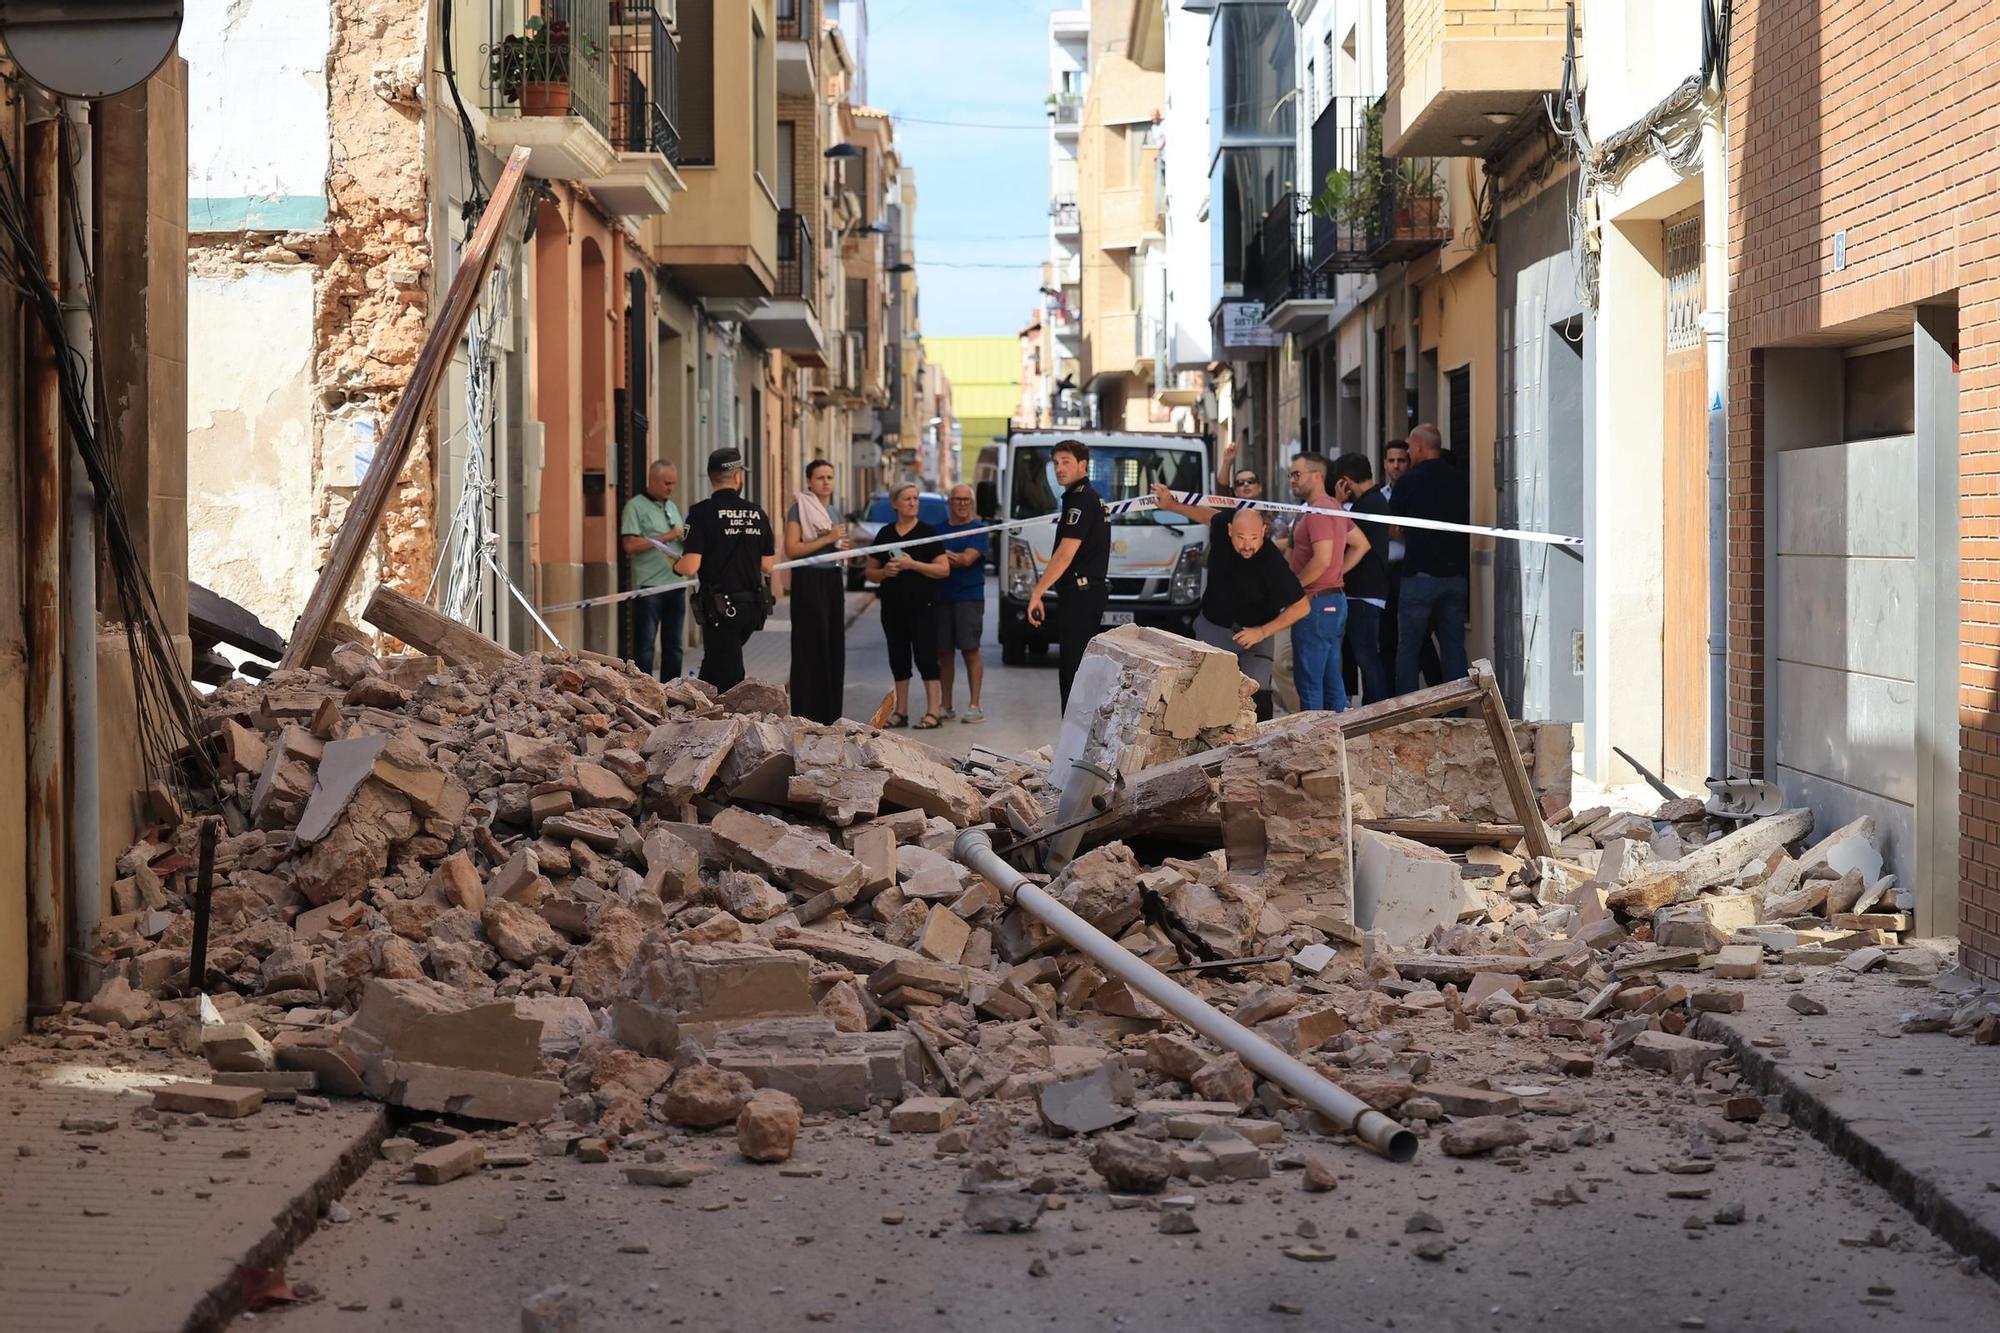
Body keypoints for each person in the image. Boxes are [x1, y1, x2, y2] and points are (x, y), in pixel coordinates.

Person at [1152, 485, 1308, 720]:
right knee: (1208, 694)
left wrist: (1262, 632)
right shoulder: (1221, 526)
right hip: (1215, 627)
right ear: (1229, 530)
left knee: (1258, 700)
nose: (1247, 545)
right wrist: (1171, 505)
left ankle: (1257, 749)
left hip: (1256, 635)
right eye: (1241, 538)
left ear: (1264, 531)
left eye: (1254, 538)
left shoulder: (1273, 562)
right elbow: (1206, 515)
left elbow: (1302, 606)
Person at [674, 448, 775, 692]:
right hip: (752, 608)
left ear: (711, 477)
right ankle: (702, 710)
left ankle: (735, 722)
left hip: (720, 611)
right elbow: (767, 565)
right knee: (712, 669)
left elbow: (691, 566)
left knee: (730, 679)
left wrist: (675, 563)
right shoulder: (757, 513)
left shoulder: (701, 513)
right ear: (738, 477)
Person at [1026, 439, 1110, 712]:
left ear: (1082, 465)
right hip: (1081, 593)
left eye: (1066, 462)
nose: (1059, 469)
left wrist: (1037, 592)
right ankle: (1073, 742)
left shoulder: (1082, 499)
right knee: (1073, 670)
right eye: (1056, 463)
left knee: (1074, 673)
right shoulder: (1080, 496)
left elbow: (1065, 554)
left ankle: (1073, 746)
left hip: (1081, 594)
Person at [1285, 452, 1371, 712]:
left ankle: (1314, 746)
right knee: (1331, 680)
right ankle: (1337, 742)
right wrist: (1336, 575)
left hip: (1316, 604)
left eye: (1297, 474)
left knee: (1310, 683)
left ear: (1317, 475)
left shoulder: (1320, 511)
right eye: (1291, 475)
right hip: (1332, 601)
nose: (1292, 480)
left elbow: (1322, 559)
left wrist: (1294, 588)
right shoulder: (1333, 507)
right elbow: (1361, 545)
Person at [1390, 422, 1470, 695]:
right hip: (1456, 576)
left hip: (1419, 576)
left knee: (1409, 648)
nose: (1409, 452)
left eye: (1410, 447)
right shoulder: (1460, 479)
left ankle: (1406, 713)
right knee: (1453, 648)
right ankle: (1457, 712)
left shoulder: (1408, 482)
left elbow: (1393, 527)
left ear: (1420, 447)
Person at [865, 483, 950, 729]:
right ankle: (900, 711)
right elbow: (869, 572)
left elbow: (943, 569)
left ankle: (933, 711)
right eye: (907, 499)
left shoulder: (928, 532)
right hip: (893, 607)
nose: (913, 503)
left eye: (915, 499)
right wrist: (884, 572)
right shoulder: (885, 534)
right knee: (898, 658)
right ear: (895, 504)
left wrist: (914, 565)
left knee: (926, 657)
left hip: (924, 606)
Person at [783, 458, 850, 724]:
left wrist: (841, 545)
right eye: (820, 477)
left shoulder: (835, 513)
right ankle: (806, 712)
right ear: (809, 481)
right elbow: (792, 548)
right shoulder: (799, 508)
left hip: (832, 578)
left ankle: (831, 714)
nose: (826, 482)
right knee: (810, 646)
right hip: (809, 580)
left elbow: (839, 543)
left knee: (833, 646)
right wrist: (828, 538)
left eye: (830, 477)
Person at [1330, 453, 1393, 705]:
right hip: (1367, 591)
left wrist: (1335, 502)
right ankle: (1372, 708)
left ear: (1346, 481)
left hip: (1364, 593)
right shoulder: (1372, 501)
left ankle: (1376, 710)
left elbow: (1345, 538)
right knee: (1365, 656)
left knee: (1366, 657)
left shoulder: (1368, 505)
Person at [618, 461, 688, 680]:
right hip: (650, 587)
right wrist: (667, 536)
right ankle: (643, 688)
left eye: (673, 484)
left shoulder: (671, 507)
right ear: (653, 480)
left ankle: (672, 690)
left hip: (676, 583)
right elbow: (629, 545)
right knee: (646, 645)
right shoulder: (635, 506)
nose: (670, 488)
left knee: (674, 646)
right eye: (667, 483)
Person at [933, 484, 990, 724]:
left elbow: (968, 560)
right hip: (940, 597)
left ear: (972, 503)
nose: (962, 504)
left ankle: (974, 706)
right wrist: (944, 558)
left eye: (966, 500)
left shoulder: (979, 529)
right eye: (957, 499)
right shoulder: (938, 530)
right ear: (950, 502)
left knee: (970, 651)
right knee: (943, 654)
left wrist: (942, 556)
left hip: (969, 596)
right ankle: (946, 705)